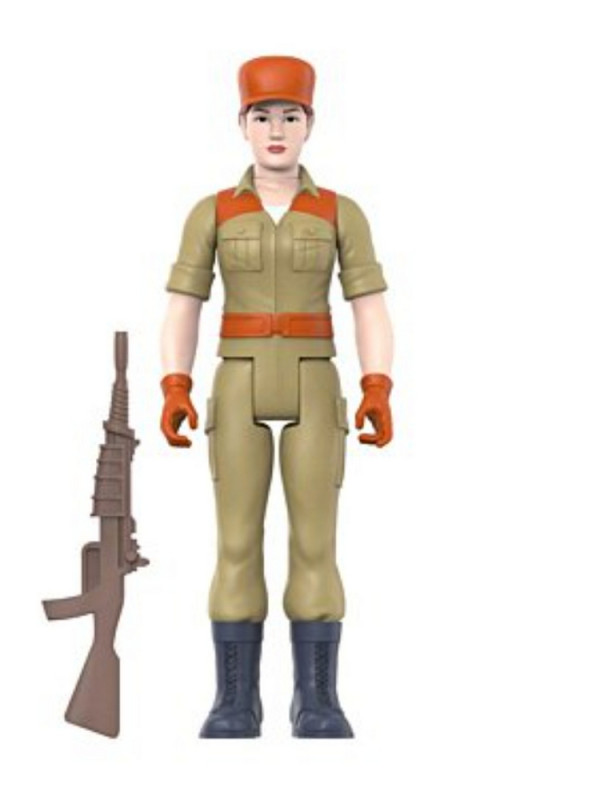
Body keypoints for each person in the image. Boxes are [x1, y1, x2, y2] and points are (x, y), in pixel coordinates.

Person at [160, 55, 394, 738]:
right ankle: (235, 700)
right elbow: (184, 303)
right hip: (236, 378)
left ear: (310, 124)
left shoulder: (338, 212)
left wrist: (377, 383)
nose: (276, 129)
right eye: (262, 116)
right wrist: (175, 382)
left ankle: (317, 699)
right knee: (236, 541)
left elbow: (369, 304)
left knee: (316, 542)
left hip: (315, 378)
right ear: (242, 124)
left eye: (290, 116)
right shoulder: (213, 212)